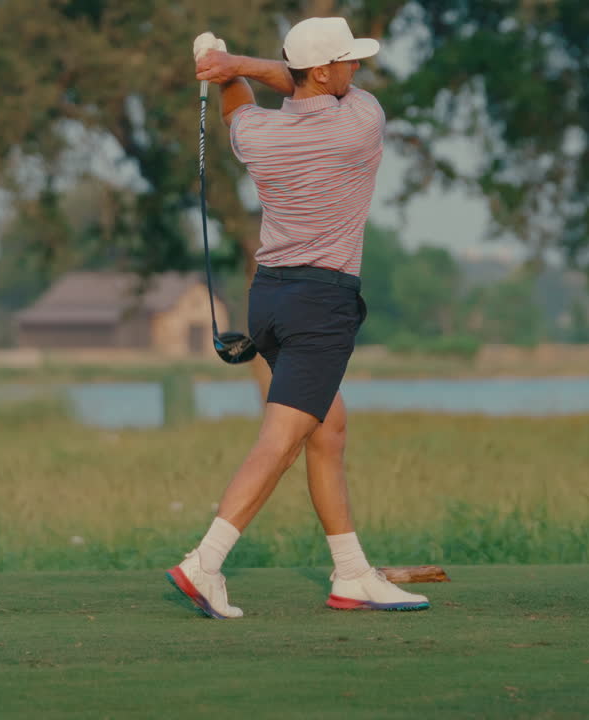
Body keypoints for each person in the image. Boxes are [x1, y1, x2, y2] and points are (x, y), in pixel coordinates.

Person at [165, 17, 429, 619]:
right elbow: (287, 81)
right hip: (321, 305)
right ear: (324, 70)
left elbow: (243, 105)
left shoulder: (256, 135)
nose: (356, 70)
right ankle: (204, 563)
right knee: (281, 442)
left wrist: (226, 66)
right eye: (347, 61)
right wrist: (236, 62)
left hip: (270, 301)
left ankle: (352, 574)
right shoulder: (361, 122)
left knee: (327, 428)